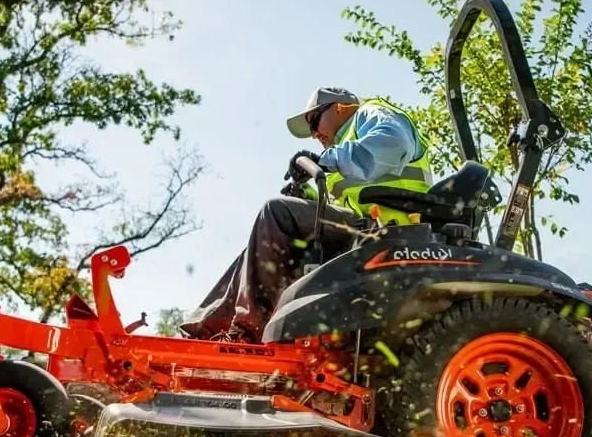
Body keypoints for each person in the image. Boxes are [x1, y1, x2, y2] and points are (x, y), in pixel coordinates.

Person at [178, 87, 434, 343]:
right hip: (363, 227)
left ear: (340, 107)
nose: (313, 134)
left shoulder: (371, 114)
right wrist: (305, 197)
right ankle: (203, 333)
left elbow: (391, 145)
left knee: (276, 212)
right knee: (262, 244)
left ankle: (249, 333)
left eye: (314, 120)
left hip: (393, 228)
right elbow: (345, 203)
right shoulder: (344, 152)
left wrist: (324, 160)